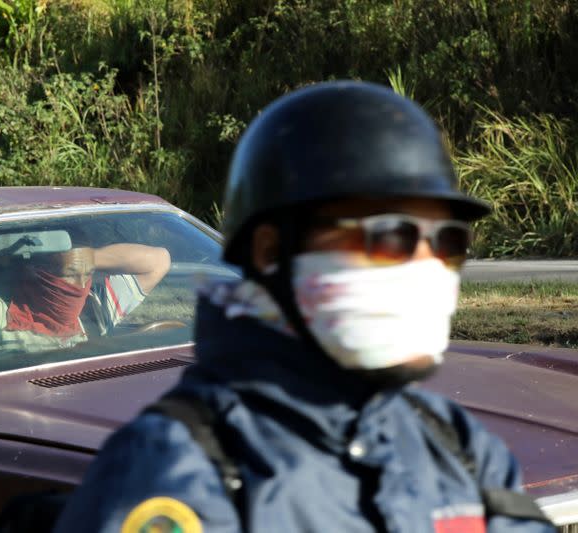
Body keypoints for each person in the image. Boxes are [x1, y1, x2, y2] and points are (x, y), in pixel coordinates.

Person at [53, 81, 555, 532]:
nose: (427, 269)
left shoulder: (455, 445)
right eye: (391, 237)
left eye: (447, 242)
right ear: (272, 252)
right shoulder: (176, 471)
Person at [0, 236, 171, 357]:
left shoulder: (94, 310)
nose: (81, 286)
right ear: (37, 273)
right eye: (70, 275)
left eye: (88, 275)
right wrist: (0, 252)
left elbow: (159, 261)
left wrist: (87, 257)